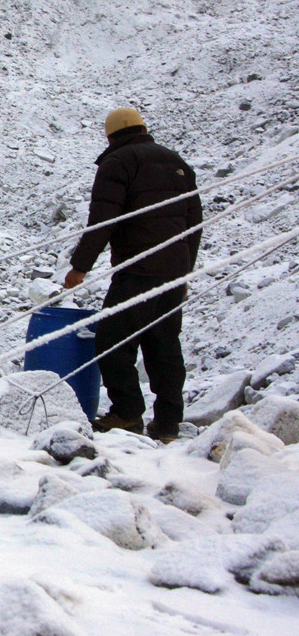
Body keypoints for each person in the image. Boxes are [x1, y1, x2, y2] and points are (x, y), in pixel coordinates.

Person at [64, 107, 202, 443]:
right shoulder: (177, 162)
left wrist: (80, 266)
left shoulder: (118, 163)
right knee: (164, 345)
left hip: (137, 270)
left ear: (110, 137)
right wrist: (185, 272)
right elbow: (194, 224)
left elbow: (103, 221)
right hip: (172, 273)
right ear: (142, 128)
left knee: (112, 341)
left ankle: (127, 413)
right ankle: (168, 423)